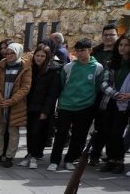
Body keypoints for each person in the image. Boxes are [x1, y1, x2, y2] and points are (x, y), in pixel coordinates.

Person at [47, 38, 106, 172]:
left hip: (85, 107)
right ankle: (54, 161)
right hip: (66, 106)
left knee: (79, 136)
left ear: (90, 51)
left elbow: (97, 87)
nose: (80, 53)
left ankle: (70, 159)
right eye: (77, 51)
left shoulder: (97, 67)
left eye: (83, 51)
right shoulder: (69, 67)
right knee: (61, 134)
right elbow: (62, 84)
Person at [0, 43, 32, 168]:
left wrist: (12, 100)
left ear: (18, 53)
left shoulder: (25, 68)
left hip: (16, 104)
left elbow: (25, 87)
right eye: (8, 53)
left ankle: (9, 157)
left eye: (12, 53)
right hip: (0, 104)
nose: (9, 55)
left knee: (13, 131)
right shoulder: (1, 66)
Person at [21, 44, 61, 170]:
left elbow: (52, 93)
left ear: (47, 57)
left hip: (42, 107)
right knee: (30, 132)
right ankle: (30, 154)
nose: (39, 58)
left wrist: (46, 111)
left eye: (42, 56)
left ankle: (35, 156)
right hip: (30, 106)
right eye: (37, 55)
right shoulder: (30, 69)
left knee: (38, 132)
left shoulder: (53, 71)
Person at [96, 34, 130, 174]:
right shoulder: (112, 63)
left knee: (117, 133)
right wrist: (115, 94)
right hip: (111, 101)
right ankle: (111, 160)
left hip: (126, 105)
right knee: (108, 132)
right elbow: (104, 83)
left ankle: (119, 161)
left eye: (126, 45)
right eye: (121, 45)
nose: (123, 48)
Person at [88, 23, 121, 165]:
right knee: (92, 127)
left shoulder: (120, 53)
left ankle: (101, 154)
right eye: (106, 35)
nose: (108, 37)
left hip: (111, 96)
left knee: (105, 128)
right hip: (92, 94)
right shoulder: (95, 51)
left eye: (111, 35)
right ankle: (90, 153)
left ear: (117, 36)